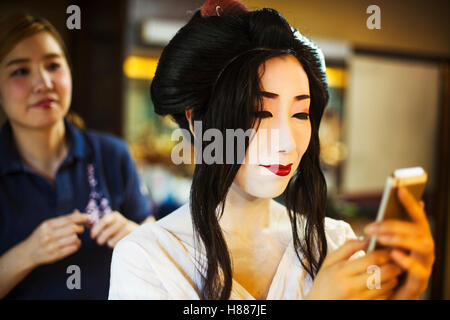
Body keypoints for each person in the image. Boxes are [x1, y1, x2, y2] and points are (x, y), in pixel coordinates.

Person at [109, 0, 434, 300]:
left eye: (300, 114)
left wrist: (405, 294)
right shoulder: (148, 257)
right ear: (198, 124)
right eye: (259, 113)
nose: (287, 142)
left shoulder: (335, 243)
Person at [0, 14, 155, 299]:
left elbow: (157, 248)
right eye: (20, 71)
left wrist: (136, 237)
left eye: (53, 65)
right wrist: (27, 253)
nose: (43, 82)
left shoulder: (112, 154)